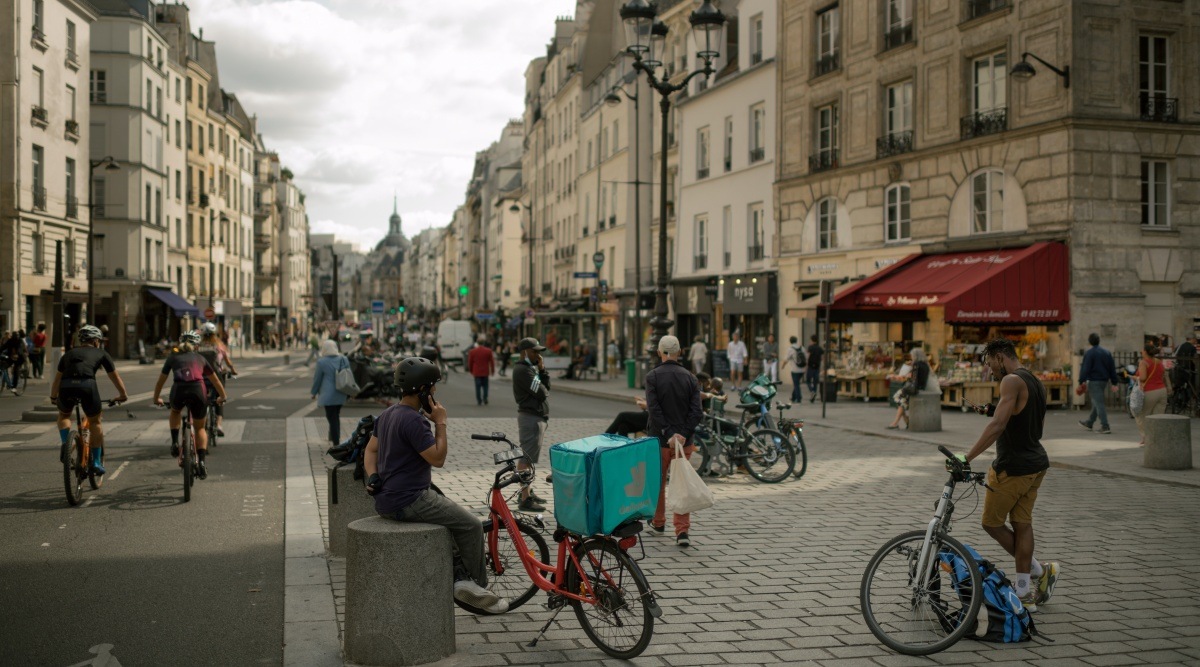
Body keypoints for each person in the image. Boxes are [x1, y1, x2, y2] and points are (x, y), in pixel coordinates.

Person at [362, 356, 507, 613]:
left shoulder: (386, 415)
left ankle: (459, 577)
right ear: (423, 391)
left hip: (387, 500)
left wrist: (373, 476)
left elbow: (370, 450)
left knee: (449, 518)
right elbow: (438, 459)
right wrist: (440, 422)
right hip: (410, 500)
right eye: (433, 387)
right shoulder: (415, 421)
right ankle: (481, 591)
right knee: (471, 525)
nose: (435, 392)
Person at [957, 337, 1059, 612]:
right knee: (1022, 524)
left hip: (1012, 467)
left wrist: (965, 458)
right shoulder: (1034, 381)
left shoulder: (1011, 381)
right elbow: (1027, 419)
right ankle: (1025, 592)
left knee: (991, 522)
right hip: (1036, 464)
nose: (990, 370)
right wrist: (992, 409)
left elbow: (998, 425)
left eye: (991, 363)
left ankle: (1039, 570)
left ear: (1001, 356)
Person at [645, 335, 704, 547]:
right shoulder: (690, 377)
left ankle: (658, 522)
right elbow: (697, 412)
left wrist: (668, 433)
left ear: (660, 352)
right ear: (679, 353)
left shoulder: (653, 376)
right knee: (682, 483)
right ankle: (682, 531)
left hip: (660, 441)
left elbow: (654, 409)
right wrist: (682, 433)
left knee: (658, 483)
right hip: (684, 442)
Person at [49, 325, 129, 475]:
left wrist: (53, 397)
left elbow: (57, 380)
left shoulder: (68, 354)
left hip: (66, 387)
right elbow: (115, 377)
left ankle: (66, 444)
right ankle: (97, 462)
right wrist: (122, 394)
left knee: (64, 415)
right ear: (96, 341)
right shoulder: (101, 353)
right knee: (95, 422)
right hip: (87, 386)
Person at [153, 330, 228, 480]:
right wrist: (223, 396)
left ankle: (175, 442)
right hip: (198, 391)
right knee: (200, 427)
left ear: (180, 344)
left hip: (179, 390)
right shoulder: (201, 358)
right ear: (197, 345)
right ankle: (201, 461)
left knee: (175, 411)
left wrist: (156, 398)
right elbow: (215, 381)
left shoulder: (172, 358)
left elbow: (161, 380)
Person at [512, 337, 551, 509]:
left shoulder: (530, 369)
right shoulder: (523, 371)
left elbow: (545, 387)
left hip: (535, 417)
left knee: (528, 457)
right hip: (530, 418)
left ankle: (527, 491)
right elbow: (542, 392)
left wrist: (542, 370)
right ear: (524, 352)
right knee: (525, 458)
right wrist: (539, 378)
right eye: (534, 351)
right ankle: (525, 498)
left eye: (539, 351)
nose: (538, 354)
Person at [197, 322, 239, 437]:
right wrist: (233, 370)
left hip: (200, 376)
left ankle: (203, 421)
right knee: (220, 399)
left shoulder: (197, 346)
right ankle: (219, 424)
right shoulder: (219, 345)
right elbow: (227, 361)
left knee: (202, 400)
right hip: (216, 376)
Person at [1077, 332, 1120, 435]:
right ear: (1099, 340)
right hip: (1104, 381)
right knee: (1097, 402)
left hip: (1094, 381)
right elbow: (1112, 368)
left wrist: (1081, 381)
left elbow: (1085, 368)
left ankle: (1105, 426)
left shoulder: (1089, 353)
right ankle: (1089, 422)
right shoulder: (1106, 352)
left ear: (1090, 341)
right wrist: (1114, 381)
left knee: (1099, 403)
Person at [311, 339, 350, 448]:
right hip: (342, 392)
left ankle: (336, 442)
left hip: (328, 395)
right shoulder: (343, 359)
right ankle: (334, 437)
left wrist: (313, 392)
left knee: (331, 417)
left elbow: (317, 379)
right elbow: (348, 375)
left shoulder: (321, 362)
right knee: (335, 415)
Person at [1135, 341, 1170, 445]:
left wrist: (1134, 377)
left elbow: (1143, 378)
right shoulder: (1158, 362)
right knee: (1158, 417)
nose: (1141, 351)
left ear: (1145, 351)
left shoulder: (1143, 362)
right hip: (1162, 391)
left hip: (1150, 391)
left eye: (1142, 349)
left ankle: (1146, 438)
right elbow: (1164, 375)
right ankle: (1157, 438)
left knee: (1141, 415)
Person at [887, 349, 930, 430]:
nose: (912, 357)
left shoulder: (916, 364)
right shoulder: (925, 365)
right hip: (920, 387)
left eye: (912, 355)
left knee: (898, 398)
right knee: (900, 401)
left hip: (913, 388)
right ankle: (906, 420)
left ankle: (896, 422)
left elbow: (912, 377)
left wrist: (899, 377)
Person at [466, 339, 495, 406]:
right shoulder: (488, 351)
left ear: (477, 343)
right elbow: (492, 362)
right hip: (485, 371)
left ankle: (479, 400)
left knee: (477, 386)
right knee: (485, 386)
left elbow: (470, 362)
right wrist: (492, 371)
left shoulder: (472, 351)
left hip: (477, 372)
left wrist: (470, 370)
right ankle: (485, 398)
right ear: (483, 343)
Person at [783, 336, 806, 402]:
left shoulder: (790, 349)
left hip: (795, 369)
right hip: (802, 369)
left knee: (796, 384)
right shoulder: (802, 348)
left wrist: (783, 366)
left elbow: (786, 359)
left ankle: (799, 398)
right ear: (796, 340)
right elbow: (806, 357)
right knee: (797, 383)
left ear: (790, 341)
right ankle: (793, 397)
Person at [805, 334, 824, 403]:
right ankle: (814, 393)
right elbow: (822, 358)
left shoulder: (810, 347)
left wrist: (806, 366)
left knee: (808, 381)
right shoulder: (820, 348)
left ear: (811, 340)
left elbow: (807, 357)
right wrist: (821, 368)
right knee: (815, 382)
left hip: (810, 366)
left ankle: (812, 391)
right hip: (817, 367)